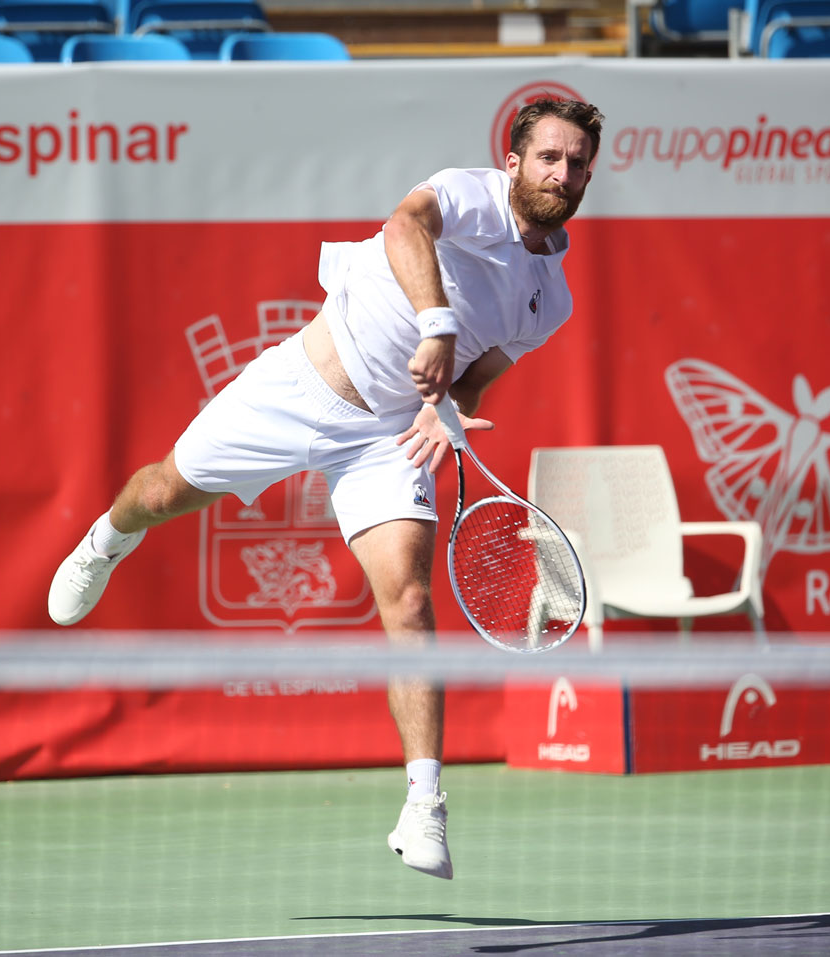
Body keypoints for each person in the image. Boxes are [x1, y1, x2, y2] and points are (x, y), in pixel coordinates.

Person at [47, 97, 604, 881]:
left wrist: (450, 413)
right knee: (166, 490)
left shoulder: (553, 298)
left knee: (409, 600)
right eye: (550, 157)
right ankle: (107, 538)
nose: (564, 173)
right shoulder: (469, 196)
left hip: (387, 440)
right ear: (513, 161)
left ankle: (424, 803)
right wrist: (436, 321)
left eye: (578, 162)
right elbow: (404, 225)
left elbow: (475, 382)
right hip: (301, 385)